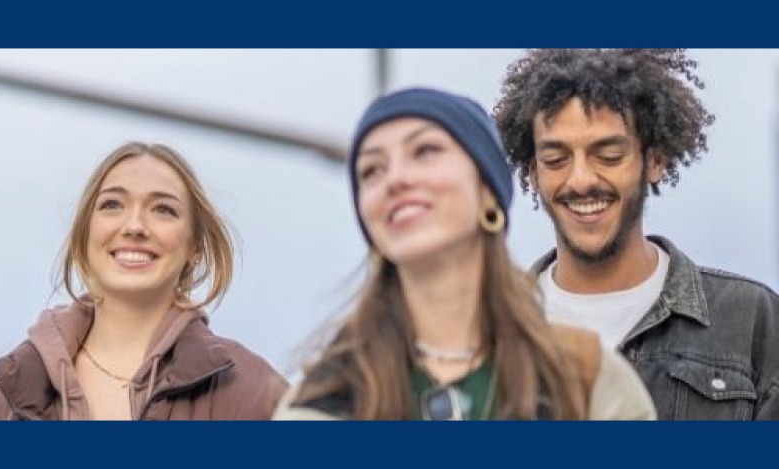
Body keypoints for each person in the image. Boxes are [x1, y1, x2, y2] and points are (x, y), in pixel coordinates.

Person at [276, 88, 654, 420]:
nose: (396, 179)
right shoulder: (324, 399)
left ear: (488, 191)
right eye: (372, 170)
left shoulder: (584, 376)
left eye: (425, 151)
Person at [494, 48, 779, 420]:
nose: (580, 180)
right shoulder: (491, 329)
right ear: (533, 172)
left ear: (655, 161)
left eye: (608, 156)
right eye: (555, 160)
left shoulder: (750, 319)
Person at [0, 142, 286, 420]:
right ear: (85, 234)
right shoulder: (6, 391)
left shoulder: (255, 393)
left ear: (195, 248)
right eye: (112, 205)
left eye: (163, 210)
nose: (135, 226)